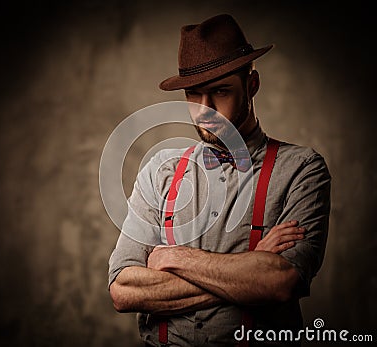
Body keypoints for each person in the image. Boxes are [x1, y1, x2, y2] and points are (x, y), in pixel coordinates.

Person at [107, 14, 331, 346]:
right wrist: (249, 269)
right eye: (194, 95)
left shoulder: (302, 170)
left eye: (220, 91)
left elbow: (279, 283)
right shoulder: (160, 170)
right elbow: (124, 291)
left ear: (252, 85)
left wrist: (176, 259)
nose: (206, 110)